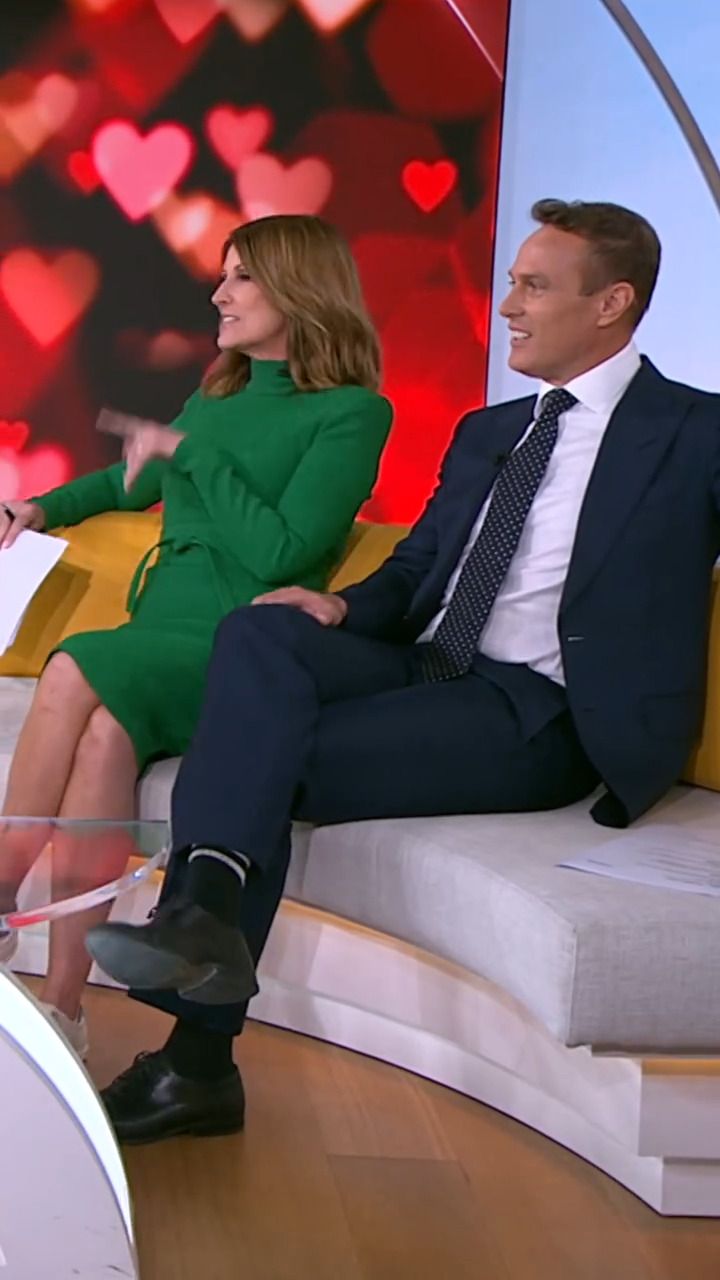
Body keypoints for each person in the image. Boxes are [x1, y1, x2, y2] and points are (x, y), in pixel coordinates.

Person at [88, 197, 720, 1144]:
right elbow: (421, 566)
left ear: (611, 303)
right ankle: (204, 913)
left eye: (534, 287)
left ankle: (197, 1052)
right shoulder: (489, 428)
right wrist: (342, 607)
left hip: (537, 710)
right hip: (426, 661)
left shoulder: (694, 431)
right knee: (260, 635)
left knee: (262, 754)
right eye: (511, 282)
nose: (508, 305)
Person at [0, 214, 392, 1058]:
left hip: (238, 643)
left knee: (71, 664)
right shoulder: (217, 395)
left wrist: (196, 457)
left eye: (242, 277)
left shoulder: (355, 414)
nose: (219, 295)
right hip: (157, 630)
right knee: (103, 739)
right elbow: (134, 476)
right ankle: (64, 1007)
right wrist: (39, 507)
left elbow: (284, 552)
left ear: (298, 289)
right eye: (224, 276)